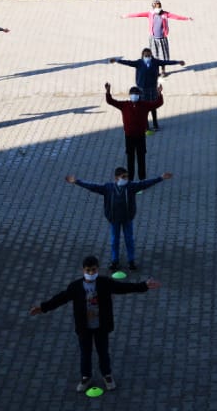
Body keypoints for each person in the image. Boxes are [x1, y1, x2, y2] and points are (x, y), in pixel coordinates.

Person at [30, 256, 159, 392]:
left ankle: (106, 375)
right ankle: (86, 376)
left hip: (101, 326)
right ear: (83, 270)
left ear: (97, 269)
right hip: (84, 327)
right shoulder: (75, 287)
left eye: (93, 270)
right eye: (88, 270)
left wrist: (144, 285)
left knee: (103, 352)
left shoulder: (104, 283)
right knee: (85, 353)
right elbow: (60, 298)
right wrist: (43, 308)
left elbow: (123, 288)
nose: (91, 273)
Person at [66, 167, 172, 273]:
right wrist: (77, 182)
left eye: (127, 176)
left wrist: (160, 178)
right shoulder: (108, 188)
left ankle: (131, 261)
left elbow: (145, 184)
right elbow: (92, 187)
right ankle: (114, 261)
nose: (126, 179)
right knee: (114, 241)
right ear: (116, 178)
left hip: (127, 219)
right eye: (123, 177)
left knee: (129, 240)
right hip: (114, 220)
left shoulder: (131, 187)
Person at [110, 48, 181, 132]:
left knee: (153, 107)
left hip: (152, 88)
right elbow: (128, 62)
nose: (147, 57)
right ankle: (146, 126)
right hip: (142, 89)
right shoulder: (139, 63)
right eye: (146, 55)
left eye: (149, 55)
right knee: (143, 108)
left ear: (151, 55)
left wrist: (178, 62)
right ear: (143, 56)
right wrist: (117, 60)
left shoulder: (155, 62)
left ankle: (155, 124)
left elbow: (166, 62)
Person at [105, 82, 163, 179]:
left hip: (140, 136)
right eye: (132, 94)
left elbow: (158, 103)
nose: (134, 96)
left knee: (141, 159)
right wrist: (108, 92)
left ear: (139, 96)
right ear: (130, 95)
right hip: (129, 137)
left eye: (136, 94)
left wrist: (159, 93)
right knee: (130, 160)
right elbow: (111, 101)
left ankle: (142, 180)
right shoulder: (124, 105)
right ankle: (130, 181)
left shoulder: (145, 105)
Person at [123, 0, 192, 73]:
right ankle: (156, 71)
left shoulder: (165, 14)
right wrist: (126, 16)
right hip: (153, 39)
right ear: (153, 7)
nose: (158, 8)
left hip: (162, 39)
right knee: (154, 56)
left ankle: (163, 70)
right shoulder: (149, 14)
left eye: (159, 6)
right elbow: (137, 15)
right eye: (156, 7)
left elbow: (176, 17)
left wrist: (187, 18)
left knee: (163, 56)